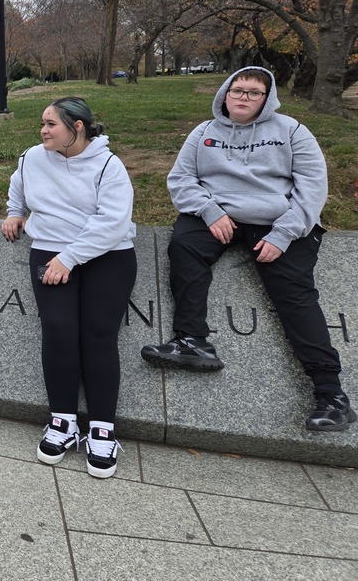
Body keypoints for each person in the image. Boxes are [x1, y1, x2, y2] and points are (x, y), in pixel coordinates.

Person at [141, 66, 353, 431]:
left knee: (294, 297)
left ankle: (331, 395)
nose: (243, 98)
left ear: (267, 98)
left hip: (277, 219)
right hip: (217, 214)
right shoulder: (204, 132)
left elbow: (313, 189)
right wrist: (209, 211)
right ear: (225, 93)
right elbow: (180, 179)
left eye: (254, 93)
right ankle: (192, 341)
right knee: (184, 247)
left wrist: (283, 234)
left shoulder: (292, 131)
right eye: (237, 90)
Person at [2, 97, 136, 479]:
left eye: (51, 124)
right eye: (42, 124)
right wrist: (15, 212)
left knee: (98, 336)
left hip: (107, 255)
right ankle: (62, 421)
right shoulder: (32, 157)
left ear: (77, 127)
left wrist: (69, 258)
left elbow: (112, 222)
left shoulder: (108, 165)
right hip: (49, 250)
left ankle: (102, 428)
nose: (43, 131)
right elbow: (18, 185)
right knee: (58, 331)